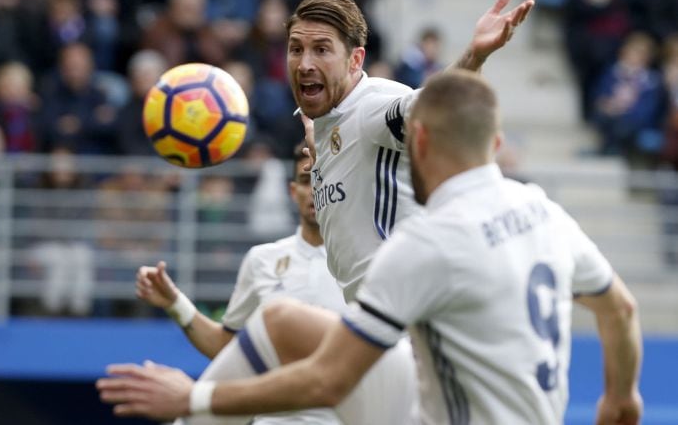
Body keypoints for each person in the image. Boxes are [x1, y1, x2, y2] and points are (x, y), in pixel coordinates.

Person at [99, 69, 644, 425]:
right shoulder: (543, 210)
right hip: (489, 405)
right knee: (283, 321)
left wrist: (191, 398)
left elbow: (329, 380)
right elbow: (619, 309)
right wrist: (621, 398)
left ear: (420, 141)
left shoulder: (427, 244)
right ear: (497, 144)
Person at [97, 0, 535, 422]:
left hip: (408, 337)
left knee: (272, 335)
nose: (304, 63)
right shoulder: (326, 125)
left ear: (355, 59)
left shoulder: (371, 108)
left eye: (322, 50)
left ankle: (189, 405)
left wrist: (475, 57)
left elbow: (430, 108)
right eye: (295, 48)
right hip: (384, 332)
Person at [135, 142, 346, 424]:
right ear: (293, 192)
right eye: (306, 180)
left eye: (323, 178)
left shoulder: (366, 259)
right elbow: (230, 348)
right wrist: (176, 303)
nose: (315, 190)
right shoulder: (262, 260)